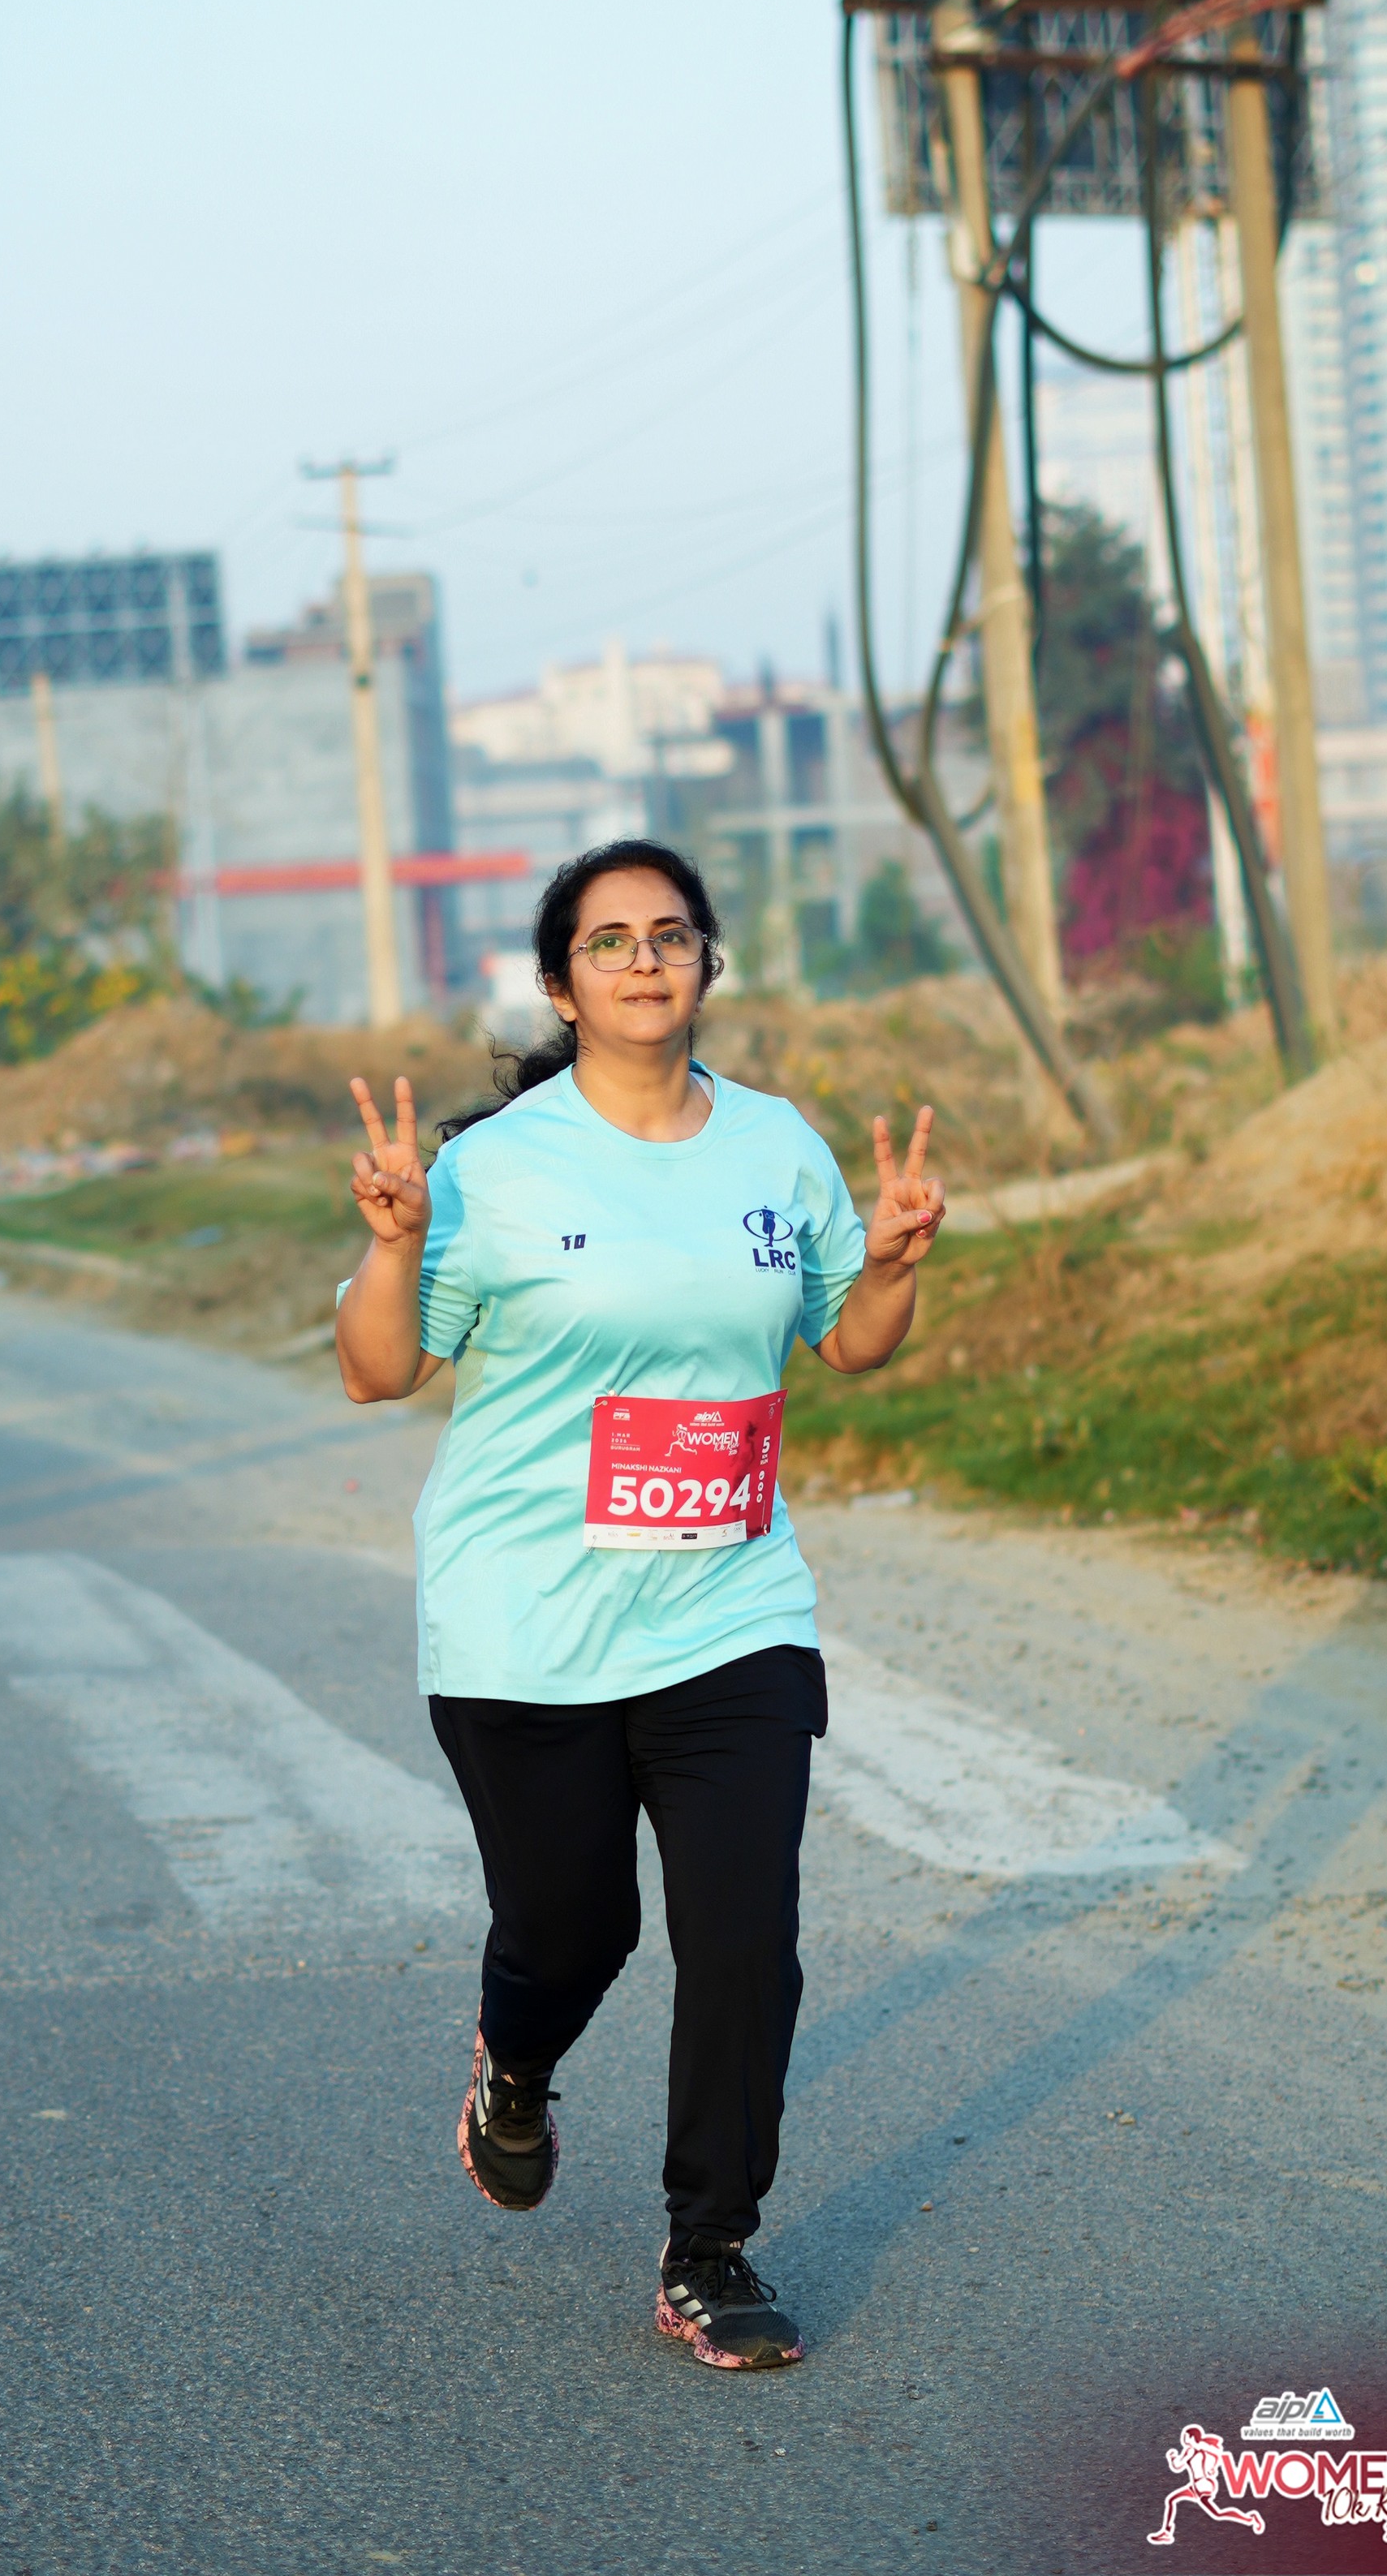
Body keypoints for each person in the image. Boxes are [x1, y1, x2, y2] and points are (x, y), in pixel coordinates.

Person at [335, 837, 943, 2371]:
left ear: (706, 963)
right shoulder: (494, 1169)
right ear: (562, 986)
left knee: (744, 1938)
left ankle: (709, 2250)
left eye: (671, 934)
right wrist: (396, 1247)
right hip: (526, 1621)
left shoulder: (778, 1146)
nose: (645, 959)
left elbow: (850, 1341)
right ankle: (515, 2059)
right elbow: (377, 1369)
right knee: (575, 1925)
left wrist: (892, 1264)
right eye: (608, 941)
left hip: (731, 1607)